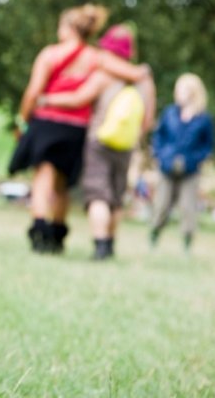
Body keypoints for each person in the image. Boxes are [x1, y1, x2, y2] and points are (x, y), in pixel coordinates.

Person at [8, 4, 150, 253]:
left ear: (69, 28)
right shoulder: (97, 58)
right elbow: (137, 72)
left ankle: (40, 230)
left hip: (47, 122)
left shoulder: (50, 54)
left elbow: (33, 92)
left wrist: (22, 120)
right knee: (62, 183)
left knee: (43, 178)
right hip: (76, 129)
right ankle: (58, 232)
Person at [39, 24, 157, 260]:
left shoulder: (103, 76)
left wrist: (47, 99)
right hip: (126, 145)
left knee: (97, 195)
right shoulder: (144, 81)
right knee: (115, 196)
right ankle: (111, 244)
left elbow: (77, 98)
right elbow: (148, 122)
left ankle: (101, 244)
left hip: (99, 142)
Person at [149, 73, 215, 251]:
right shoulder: (170, 113)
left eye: (183, 89)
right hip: (166, 166)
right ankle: (154, 236)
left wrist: (195, 160)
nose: (178, 93)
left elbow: (208, 146)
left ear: (193, 92)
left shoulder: (203, 119)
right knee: (161, 205)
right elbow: (158, 137)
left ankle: (187, 244)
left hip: (190, 169)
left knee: (188, 208)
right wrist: (160, 155)